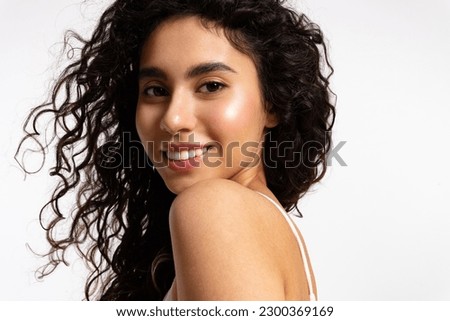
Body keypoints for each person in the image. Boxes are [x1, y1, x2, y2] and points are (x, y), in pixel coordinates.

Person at [17, 0, 335, 300]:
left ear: (273, 104)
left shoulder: (215, 207)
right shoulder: (258, 222)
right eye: (156, 90)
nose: (172, 118)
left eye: (211, 85)